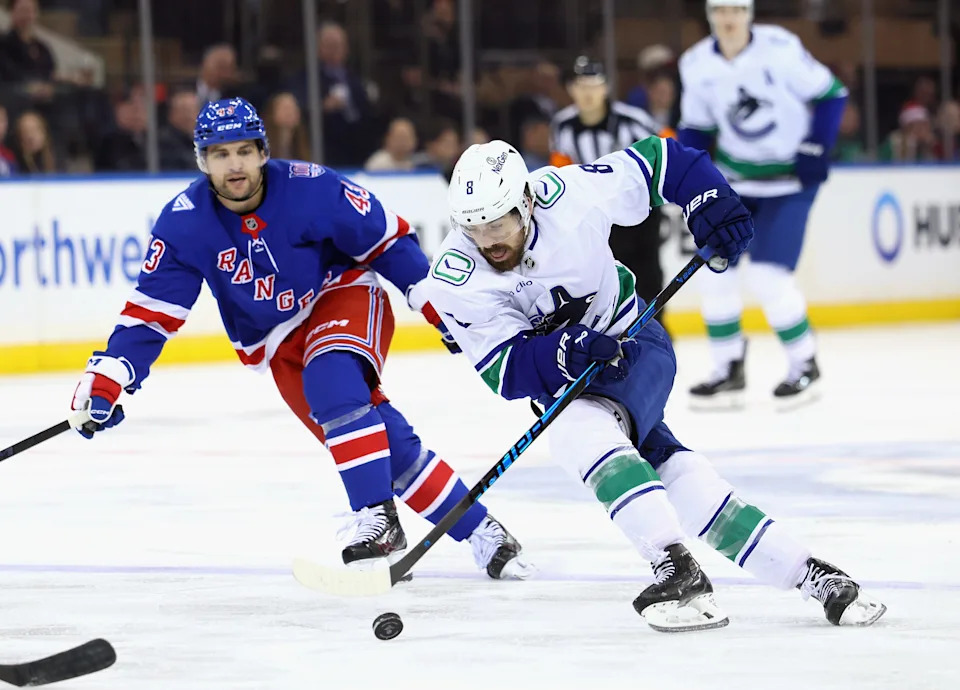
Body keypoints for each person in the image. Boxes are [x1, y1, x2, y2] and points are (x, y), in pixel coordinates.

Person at [420, 137, 886, 631]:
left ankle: (675, 567)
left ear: (527, 203)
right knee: (672, 471)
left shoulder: (570, 194)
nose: (489, 239)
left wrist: (709, 197)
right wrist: (563, 353)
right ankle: (813, 575)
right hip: (572, 384)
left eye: (499, 222)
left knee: (575, 431)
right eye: (473, 227)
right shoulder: (454, 277)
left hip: (634, 345)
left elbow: (668, 162)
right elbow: (505, 371)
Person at [67, 97, 531, 581]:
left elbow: (388, 241)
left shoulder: (312, 187)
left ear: (264, 152)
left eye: (244, 151)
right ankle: (484, 533)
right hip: (276, 340)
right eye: (221, 154)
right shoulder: (184, 222)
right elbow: (152, 312)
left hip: (342, 294)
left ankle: (376, 520)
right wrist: (110, 377)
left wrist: (442, 310)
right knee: (385, 449)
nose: (235, 165)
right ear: (203, 160)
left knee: (332, 383)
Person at [678, 0, 848, 409]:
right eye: (720, 11)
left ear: (749, 13)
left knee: (770, 278)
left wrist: (815, 146)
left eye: (736, 10)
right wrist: (687, 180)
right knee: (714, 273)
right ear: (710, 15)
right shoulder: (696, 63)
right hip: (736, 181)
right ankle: (727, 367)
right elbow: (696, 130)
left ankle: (804, 362)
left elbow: (831, 94)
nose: (729, 19)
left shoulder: (780, 48)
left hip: (789, 182)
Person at [550, 57, 667, 328]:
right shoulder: (562, 125)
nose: (588, 92)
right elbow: (562, 171)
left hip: (640, 214)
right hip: (598, 218)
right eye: (581, 85)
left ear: (606, 87)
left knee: (648, 277)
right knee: (604, 279)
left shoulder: (633, 121)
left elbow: (665, 154)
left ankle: (658, 333)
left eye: (595, 84)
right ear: (571, 89)